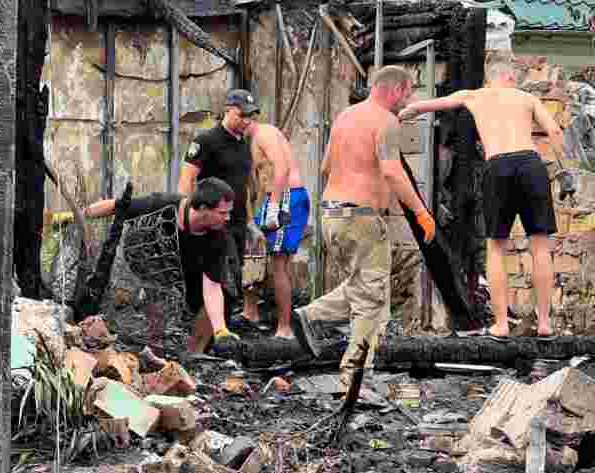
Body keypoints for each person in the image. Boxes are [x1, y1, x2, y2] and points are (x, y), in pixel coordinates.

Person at [399, 60, 575, 339]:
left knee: (496, 247)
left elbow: (429, 105)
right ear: (506, 76)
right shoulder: (527, 98)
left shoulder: (474, 95)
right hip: (531, 165)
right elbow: (554, 131)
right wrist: (565, 171)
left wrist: (404, 112)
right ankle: (544, 324)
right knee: (541, 247)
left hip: (498, 167)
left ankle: (502, 324)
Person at [291, 66, 436, 388]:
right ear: (396, 89)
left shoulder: (345, 116)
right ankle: (354, 380)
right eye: (408, 92)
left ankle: (309, 316)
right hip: (361, 217)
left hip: (332, 213)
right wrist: (421, 212)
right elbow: (392, 172)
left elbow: (327, 165)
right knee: (371, 300)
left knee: (363, 287)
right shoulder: (386, 120)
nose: (408, 100)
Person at [83, 177, 239, 355]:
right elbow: (117, 206)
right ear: (203, 209)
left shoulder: (218, 237)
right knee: (160, 294)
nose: (228, 218)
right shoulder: (164, 205)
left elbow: (212, 287)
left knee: (221, 297)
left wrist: (221, 331)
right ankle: (153, 346)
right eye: (222, 213)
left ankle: (194, 354)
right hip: (149, 255)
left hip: (189, 265)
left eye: (228, 212)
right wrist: (79, 215)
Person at [178, 89, 258, 317]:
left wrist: (250, 222)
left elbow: (243, 186)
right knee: (223, 278)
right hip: (215, 222)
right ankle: (210, 331)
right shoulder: (206, 140)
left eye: (250, 116)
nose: (247, 121)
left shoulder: (244, 142)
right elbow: (187, 179)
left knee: (236, 277)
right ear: (228, 110)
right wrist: (187, 220)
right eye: (242, 115)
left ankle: (220, 331)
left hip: (239, 222)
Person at [242, 120, 310, 338]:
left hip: (286, 197)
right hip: (279, 197)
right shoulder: (254, 139)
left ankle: (285, 328)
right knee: (255, 249)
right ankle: (250, 312)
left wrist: (273, 206)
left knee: (279, 263)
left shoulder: (264, 134)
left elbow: (282, 167)